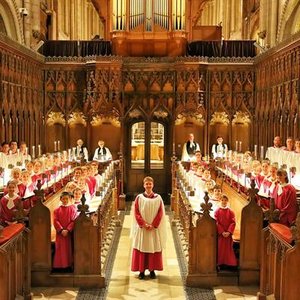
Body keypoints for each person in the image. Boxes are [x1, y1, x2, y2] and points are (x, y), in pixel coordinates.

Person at [131, 176, 167, 280]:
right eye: (146, 184)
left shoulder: (158, 198)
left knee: (153, 248)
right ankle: (141, 271)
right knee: (142, 248)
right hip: (143, 229)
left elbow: (161, 213)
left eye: (150, 184)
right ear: (143, 185)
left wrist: (153, 225)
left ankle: (152, 270)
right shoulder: (139, 198)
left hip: (153, 229)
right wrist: (143, 224)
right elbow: (136, 212)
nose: (148, 186)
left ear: (153, 185)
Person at [53, 191, 78, 270]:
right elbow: (55, 221)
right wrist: (61, 230)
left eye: (67, 199)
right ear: (60, 199)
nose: (65, 200)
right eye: (63, 199)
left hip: (68, 233)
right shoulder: (57, 210)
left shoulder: (72, 209)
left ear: (69, 199)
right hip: (60, 233)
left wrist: (68, 229)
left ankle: (68, 265)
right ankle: (59, 266)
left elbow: (73, 220)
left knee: (68, 249)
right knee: (60, 249)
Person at [214, 195, 237, 268]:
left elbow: (233, 222)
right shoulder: (217, 211)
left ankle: (229, 263)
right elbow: (216, 222)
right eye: (222, 200)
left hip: (228, 234)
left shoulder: (230, 212)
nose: (224, 202)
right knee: (220, 248)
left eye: (225, 200)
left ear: (227, 201)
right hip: (221, 234)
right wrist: (222, 232)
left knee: (228, 249)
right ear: (220, 201)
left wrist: (229, 232)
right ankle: (220, 263)